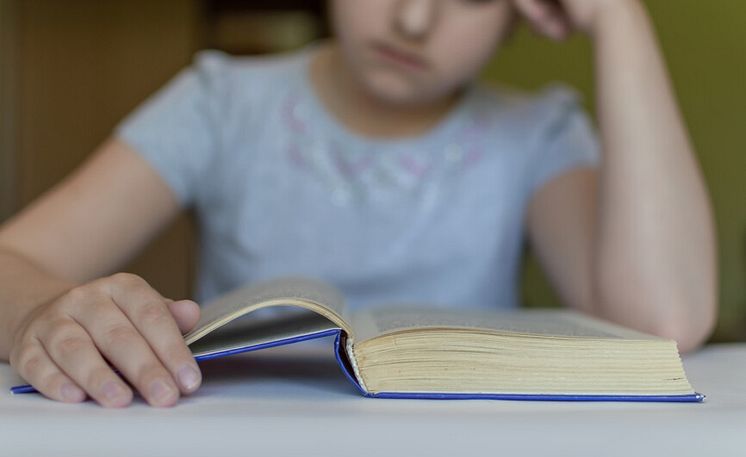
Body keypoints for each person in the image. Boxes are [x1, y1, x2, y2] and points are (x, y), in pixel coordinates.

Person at [0, 0, 717, 408]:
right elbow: (13, 259)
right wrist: (44, 313)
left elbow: (665, 320)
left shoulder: (536, 135)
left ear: (524, 13)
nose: (412, 19)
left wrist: (621, 20)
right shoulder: (222, 103)